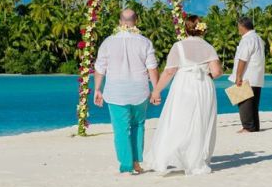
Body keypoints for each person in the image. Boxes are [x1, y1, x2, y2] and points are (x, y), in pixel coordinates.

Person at [146, 15, 223, 175]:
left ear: (186, 29)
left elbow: (169, 71)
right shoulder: (209, 47)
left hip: (184, 85)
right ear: (202, 29)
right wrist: (206, 75)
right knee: (200, 121)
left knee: (178, 119)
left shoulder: (178, 46)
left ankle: (168, 156)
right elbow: (216, 72)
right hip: (203, 86)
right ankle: (195, 159)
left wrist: (157, 90)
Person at [93, 9, 159, 174]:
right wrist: (156, 90)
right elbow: (152, 68)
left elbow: (100, 68)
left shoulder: (108, 42)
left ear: (120, 21)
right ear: (135, 21)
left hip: (116, 92)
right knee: (138, 125)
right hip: (140, 91)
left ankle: (126, 165)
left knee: (121, 128)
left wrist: (97, 89)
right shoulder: (145, 42)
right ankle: (136, 163)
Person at [230, 16, 266, 133]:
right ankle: (254, 126)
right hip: (257, 76)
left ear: (242, 26)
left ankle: (248, 127)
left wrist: (238, 76)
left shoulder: (247, 39)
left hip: (248, 76)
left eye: (238, 27)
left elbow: (243, 59)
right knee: (253, 105)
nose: (238, 29)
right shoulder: (258, 38)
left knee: (244, 103)